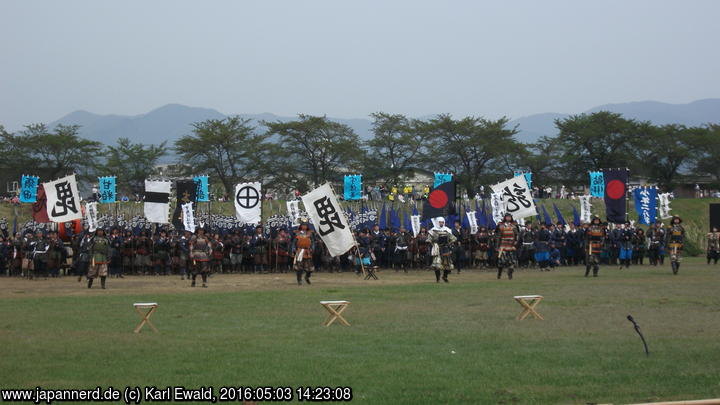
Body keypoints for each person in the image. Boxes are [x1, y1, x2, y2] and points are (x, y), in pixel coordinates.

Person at [429, 218, 456, 283]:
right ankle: (437, 278)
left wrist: (448, 244)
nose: (441, 223)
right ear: (437, 222)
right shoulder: (433, 230)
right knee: (437, 265)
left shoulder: (447, 230)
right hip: (437, 249)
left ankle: (445, 276)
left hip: (445, 248)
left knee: (447, 264)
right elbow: (429, 239)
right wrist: (434, 244)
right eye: (440, 222)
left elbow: (453, 238)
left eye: (442, 222)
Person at [495, 213, 518, 280]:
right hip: (503, 245)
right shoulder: (501, 226)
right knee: (501, 262)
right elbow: (498, 237)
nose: (508, 218)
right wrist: (497, 246)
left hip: (511, 245)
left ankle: (510, 274)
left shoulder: (513, 226)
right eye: (507, 217)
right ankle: (499, 273)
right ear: (505, 218)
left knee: (512, 261)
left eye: (509, 217)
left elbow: (517, 236)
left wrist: (515, 245)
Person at [292, 221, 314, 285]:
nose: (304, 226)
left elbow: (312, 242)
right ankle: (299, 280)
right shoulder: (297, 233)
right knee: (299, 267)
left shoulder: (310, 233)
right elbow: (294, 243)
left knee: (310, 269)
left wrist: (312, 248)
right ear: (301, 226)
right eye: (303, 225)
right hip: (300, 251)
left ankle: (307, 277)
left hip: (307, 251)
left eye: (305, 225)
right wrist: (293, 249)